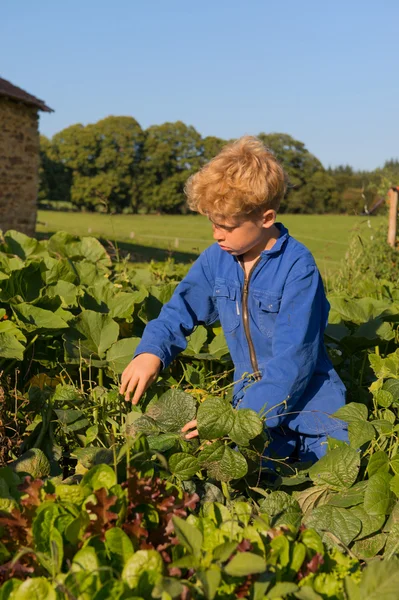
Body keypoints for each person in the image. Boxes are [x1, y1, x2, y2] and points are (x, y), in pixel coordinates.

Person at [120, 136, 347, 462]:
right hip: (245, 398)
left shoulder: (299, 267)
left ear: (265, 218)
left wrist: (240, 422)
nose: (216, 234)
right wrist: (151, 352)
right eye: (212, 223)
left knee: (331, 480)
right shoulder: (217, 259)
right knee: (247, 483)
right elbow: (179, 309)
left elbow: (294, 359)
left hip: (311, 405)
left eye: (226, 226)